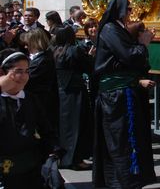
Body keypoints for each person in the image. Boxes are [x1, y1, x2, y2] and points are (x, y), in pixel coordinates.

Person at [93, 0, 156, 188]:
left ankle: (129, 181)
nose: (130, 12)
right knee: (122, 141)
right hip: (117, 96)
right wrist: (143, 43)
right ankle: (124, 182)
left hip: (124, 91)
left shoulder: (119, 29)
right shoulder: (111, 28)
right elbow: (129, 56)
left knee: (130, 139)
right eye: (128, 9)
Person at [0, 49, 61, 189]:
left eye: (27, 71)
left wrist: (53, 153)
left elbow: (46, 130)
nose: (24, 76)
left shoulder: (30, 99)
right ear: (3, 72)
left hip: (30, 169)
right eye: (18, 71)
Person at [51, 25, 95, 170]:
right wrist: (90, 56)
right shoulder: (74, 50)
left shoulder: (53, 51)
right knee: (77, 125)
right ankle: (75, 159)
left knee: (64, 126)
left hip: (60, 91)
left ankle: (64, 157)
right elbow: (88, 67)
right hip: (75, 91)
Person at [23, 28, 59, 133]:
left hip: (42, 101)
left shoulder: (44, 60)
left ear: (35, 43)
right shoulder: (37, 58)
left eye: (28, 44)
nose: (26, 47)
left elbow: (29, 79)